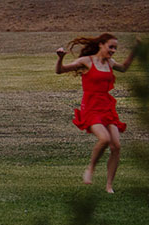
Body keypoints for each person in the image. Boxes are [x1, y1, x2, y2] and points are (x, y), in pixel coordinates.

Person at [55, 34, 139, 193]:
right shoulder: (87, 61)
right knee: (104, 139)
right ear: (101, 45)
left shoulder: (110, 63)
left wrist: (135, 50)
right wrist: (60, 58)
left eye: (115, 48)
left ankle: (109, 186)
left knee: (116, 146)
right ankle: (90, 169)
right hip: (91, 107)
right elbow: (60, 71)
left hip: (107, 107)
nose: (113, 51)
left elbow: (124, 67)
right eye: (111, 47)